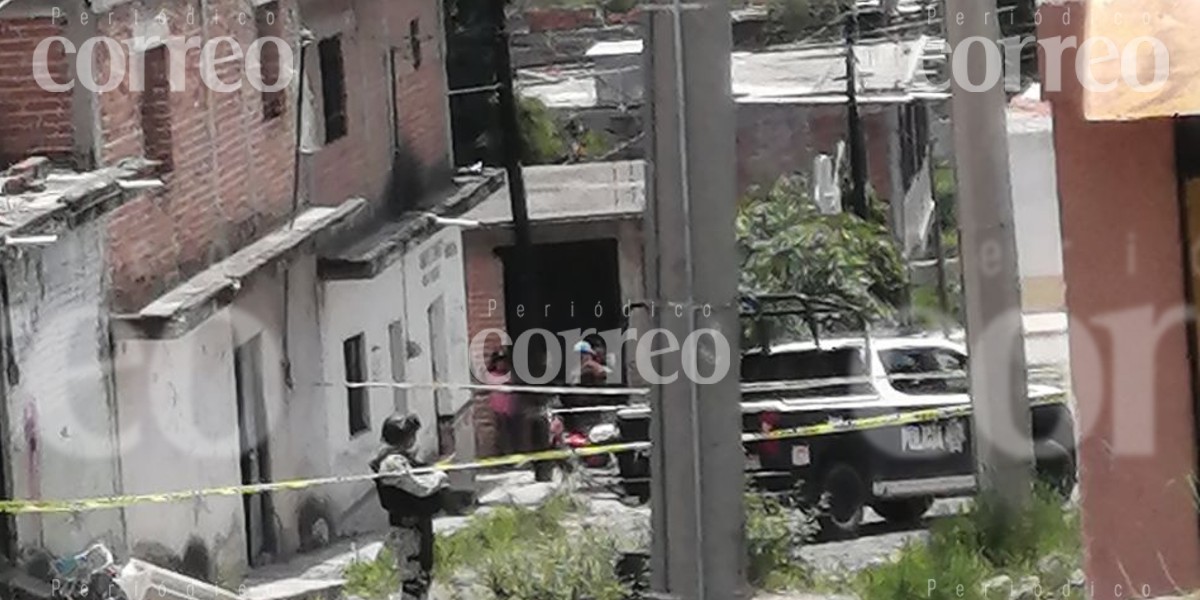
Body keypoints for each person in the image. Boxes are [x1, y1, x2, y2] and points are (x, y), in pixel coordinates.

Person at [369, 413, 449, 600]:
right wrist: (439, 477)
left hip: (416, 528)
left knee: (421, 580)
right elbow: (419, 488)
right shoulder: (392, 463)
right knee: (413, 583)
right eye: (411, 435)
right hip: (408, 531)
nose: (413, 439)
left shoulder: (399, 458)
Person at [485, 348, 520, 456]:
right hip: (499, 409)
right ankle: (503, 452)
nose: (502, 364)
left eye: (504, 362)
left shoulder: (510, 375)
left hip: (511, 408)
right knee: (502, 430)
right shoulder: (492, 375)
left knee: (513, 431)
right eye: (499, 362)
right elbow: (500, 386)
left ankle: (514, 451)